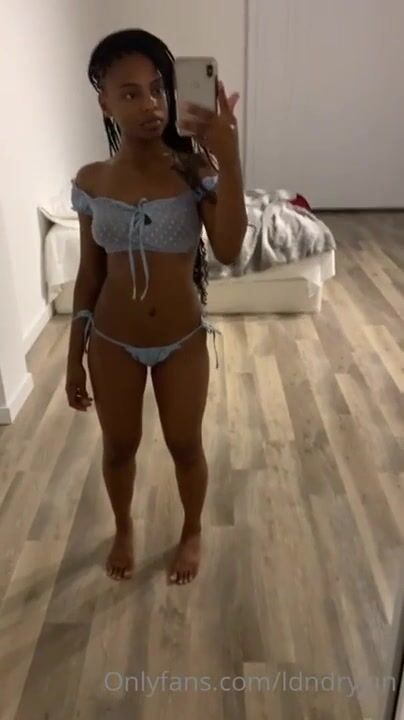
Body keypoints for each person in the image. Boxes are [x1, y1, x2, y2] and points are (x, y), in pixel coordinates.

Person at [65, 28, 247, 585]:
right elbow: (90, 275)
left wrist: (229, 158)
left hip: (182, 339)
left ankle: (191, 530)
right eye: (130, 93)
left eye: (157, 89)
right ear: (104, 103)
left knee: (185, 445)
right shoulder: (92, 181)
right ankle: (123, 528)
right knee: (119, 447)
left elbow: (229, 248)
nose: (150, 104)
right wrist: (73, 358)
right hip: (112, 340)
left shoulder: (194, 172)